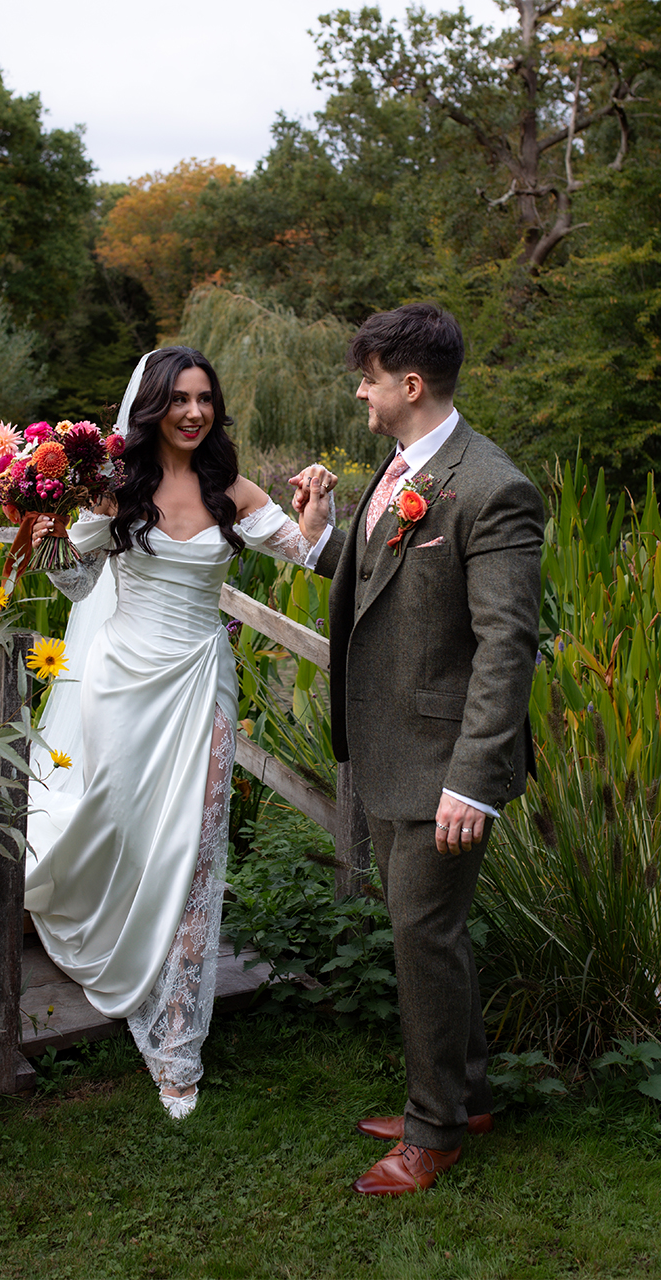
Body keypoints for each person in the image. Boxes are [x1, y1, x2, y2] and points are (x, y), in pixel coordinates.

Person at [24, 346, 336, 1119]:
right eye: (179, 399)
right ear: (152, 407)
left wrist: (315, 512)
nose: (194, 412)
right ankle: (117, 937)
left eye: (204, 398)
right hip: (121, 686)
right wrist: (52, 520)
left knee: (196, 851)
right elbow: (74, 581)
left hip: (201, 683)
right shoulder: (114, 487)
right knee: (127, 831)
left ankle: (176, 1048)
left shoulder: (232, 490)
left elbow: (308, 554)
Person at [291, 303, 544, 1195]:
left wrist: (472, 782)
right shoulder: (399, 472)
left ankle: (434, 1131)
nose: (359, 393)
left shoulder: (492, 487)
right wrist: (322, 534)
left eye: (367, 379)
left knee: (422, 932)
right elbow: (383, 580)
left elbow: (507, 646)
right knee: (428, 933)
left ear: (408, 383)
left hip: (446, 764)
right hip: (393, 752)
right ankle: (465, 1095)